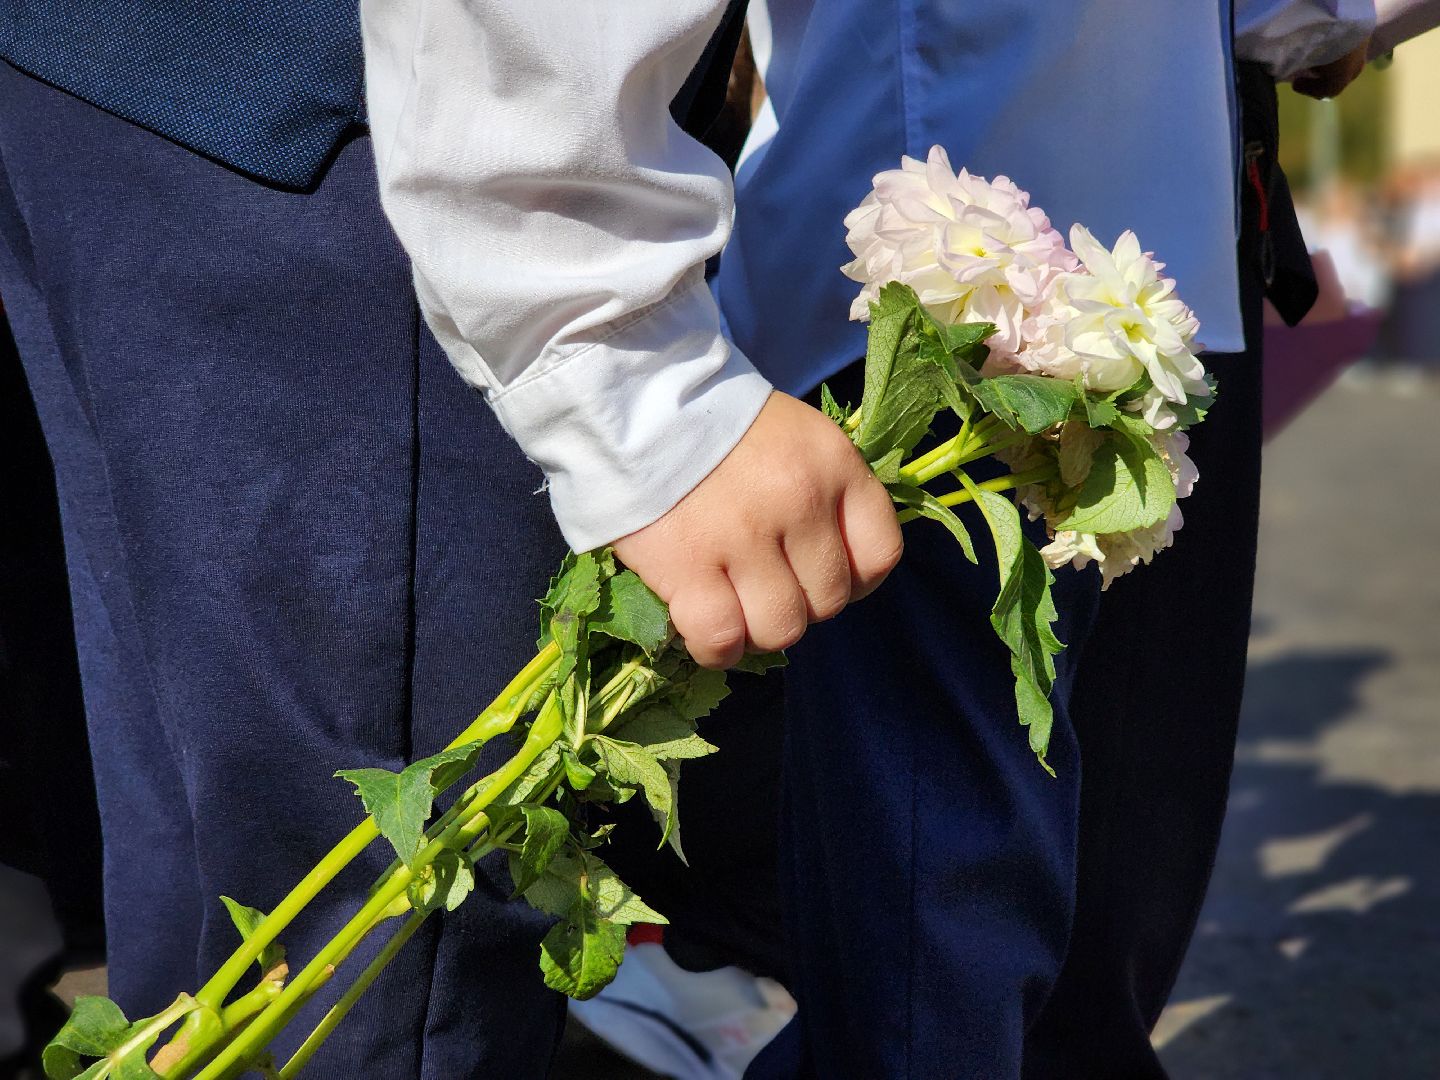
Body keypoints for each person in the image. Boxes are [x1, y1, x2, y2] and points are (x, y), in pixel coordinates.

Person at [0, 5, 1369, 1080]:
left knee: (245, 921)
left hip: (154, 95)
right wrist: (629, 369)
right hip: (332, 102)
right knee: (372, 972)